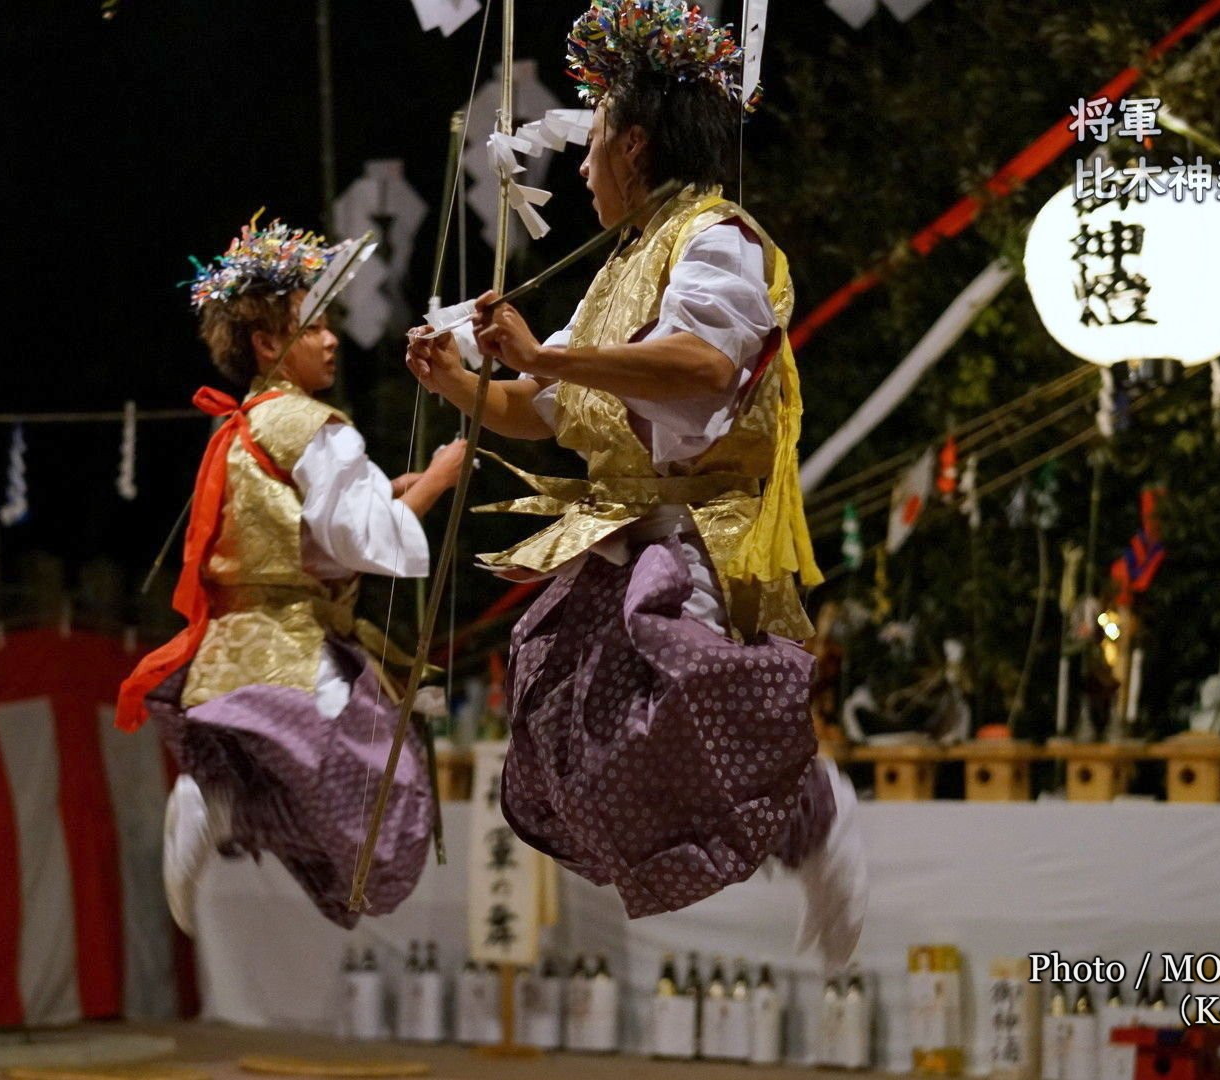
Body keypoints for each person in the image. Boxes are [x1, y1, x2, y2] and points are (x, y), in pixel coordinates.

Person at [404, 0, 864, 966]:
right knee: (558, 715)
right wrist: (459, 382)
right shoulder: (625, 265)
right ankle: (799, 825)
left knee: (681, 685)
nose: (581, 167)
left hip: (698, 534)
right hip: (624, 533)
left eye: (593, 142)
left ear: (636, 145)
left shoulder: (716, 238)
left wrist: (548, 359)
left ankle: (815, 812)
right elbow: (541, 408)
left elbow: (702, 365)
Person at [118, 217, 466, 930]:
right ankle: (215, 801)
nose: (331, 340)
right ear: (269, 344)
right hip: (293, 651)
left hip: (241, 648)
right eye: (315, 328)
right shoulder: (313, 426)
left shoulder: (248, 423)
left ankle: (222, 803)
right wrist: (437, 479)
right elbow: (362, 540)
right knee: (383, 796)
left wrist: (387, 493)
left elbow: (304, 535)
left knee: (328, 799)